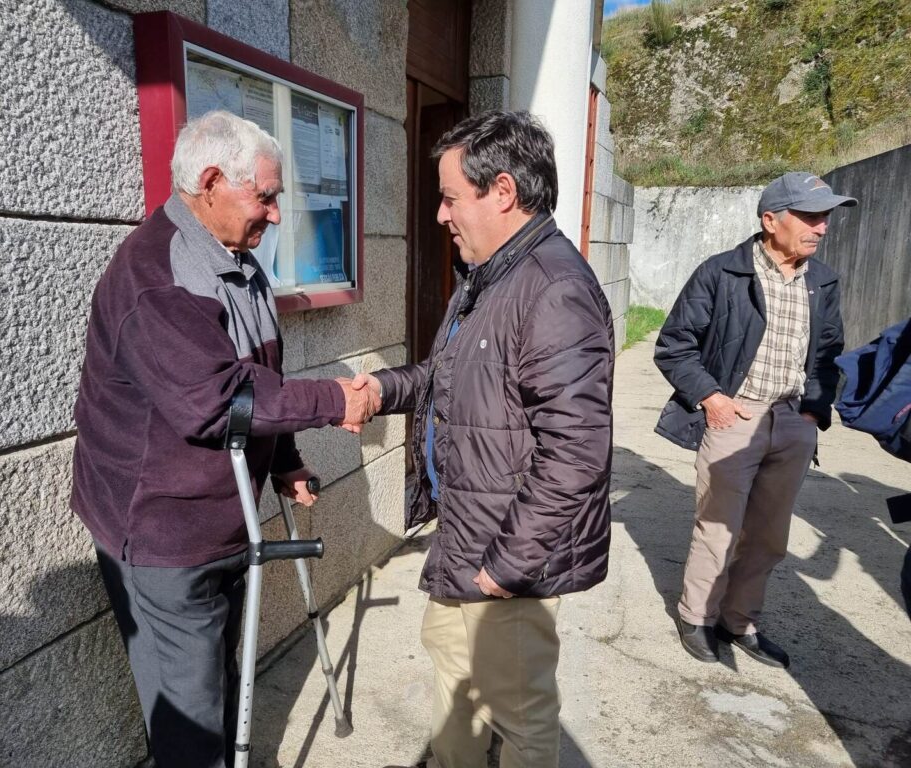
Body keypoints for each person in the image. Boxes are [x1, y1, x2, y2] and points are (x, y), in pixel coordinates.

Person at [70, 111, 377, 768]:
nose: (273, 214)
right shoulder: (156, 278)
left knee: (224, 677)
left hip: (225, 519)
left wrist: (287, 459)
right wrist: (336, 402)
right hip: (162, 536)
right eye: (263, 196)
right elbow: (212, 401)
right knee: (192, 713)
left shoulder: (236, 260)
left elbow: (261, 378)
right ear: (210, 182)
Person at [352, 110, 614, 768]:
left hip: (503, 555)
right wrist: (383, 388)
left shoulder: (554, 292)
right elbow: (450, 378)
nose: (441, 216)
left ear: (501, 191)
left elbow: (576, 454)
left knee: (518, 712)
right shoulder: (489, 278)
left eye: (448, 197)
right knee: (453, 681)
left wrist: (507, 566)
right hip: (465, 530)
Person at [654, 171, 856, 669]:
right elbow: (674, 345)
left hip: (792, 422)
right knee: (718, 529)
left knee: (768, 535)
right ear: (771, 220)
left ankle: (739, 620)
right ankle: (696, 616)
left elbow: (829, 351)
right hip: (734, 417)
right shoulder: (722, 273)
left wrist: (814, 408)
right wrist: (713, 399)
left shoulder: (822, 281)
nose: (821, 227)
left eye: (825, 217)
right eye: (809, 216)